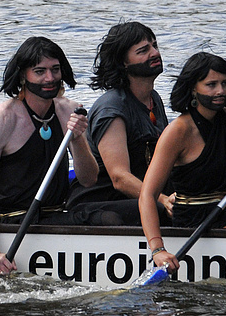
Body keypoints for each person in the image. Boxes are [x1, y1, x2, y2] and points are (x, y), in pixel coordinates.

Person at [0, 37, 119, 276]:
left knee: (113, 218)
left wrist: (77, 139)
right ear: (23, 75)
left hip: (57, 214)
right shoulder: (0, 120)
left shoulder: (69, 110)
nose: (50, 79)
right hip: (15, 221)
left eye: (55, 70)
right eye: (40, 71)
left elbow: (88, 179)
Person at [140, 52, 226, 273]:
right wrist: (158, 249)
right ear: (193, 88)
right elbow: (147, 195)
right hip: (198, 219)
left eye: (224, 83)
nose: (221, 91)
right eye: (211, 84)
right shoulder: (178, 131)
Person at [67, 22, 172, 225]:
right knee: (158, 209)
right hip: (99, 203)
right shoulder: (112, 108)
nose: (154, 53)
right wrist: (163, 200)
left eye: (154, 46)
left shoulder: (154, 99)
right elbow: (119, 178)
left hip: (134, 197)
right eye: (143, 51)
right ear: (123, 63)